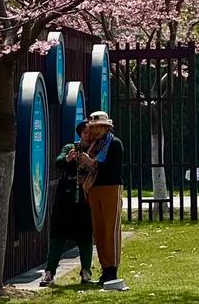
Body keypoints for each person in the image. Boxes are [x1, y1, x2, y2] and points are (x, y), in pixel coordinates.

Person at [39, 121, 94, 287]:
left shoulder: (97, 148)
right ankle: (50, 272)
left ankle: (86, 271)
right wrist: (68, 158)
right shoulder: (71, 147)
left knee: (85, 234)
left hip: (85, 196)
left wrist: (89, 161)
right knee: (57, 234)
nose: (89, 136)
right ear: (80, 133)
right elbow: (58, 162)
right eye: (85, 132)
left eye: (91, 132)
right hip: (66, 197)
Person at [81, 110, 124, 284]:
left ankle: (112, 269)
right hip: (94, 188)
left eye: (99, 127)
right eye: (93, 127)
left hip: (111, 187)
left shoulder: (114, 144)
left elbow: (112, 168)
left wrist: (93, 163)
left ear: (107, 127)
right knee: (98, 230)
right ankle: (104, 267)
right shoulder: (93, 145)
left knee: (110, 229)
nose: (96, 130)